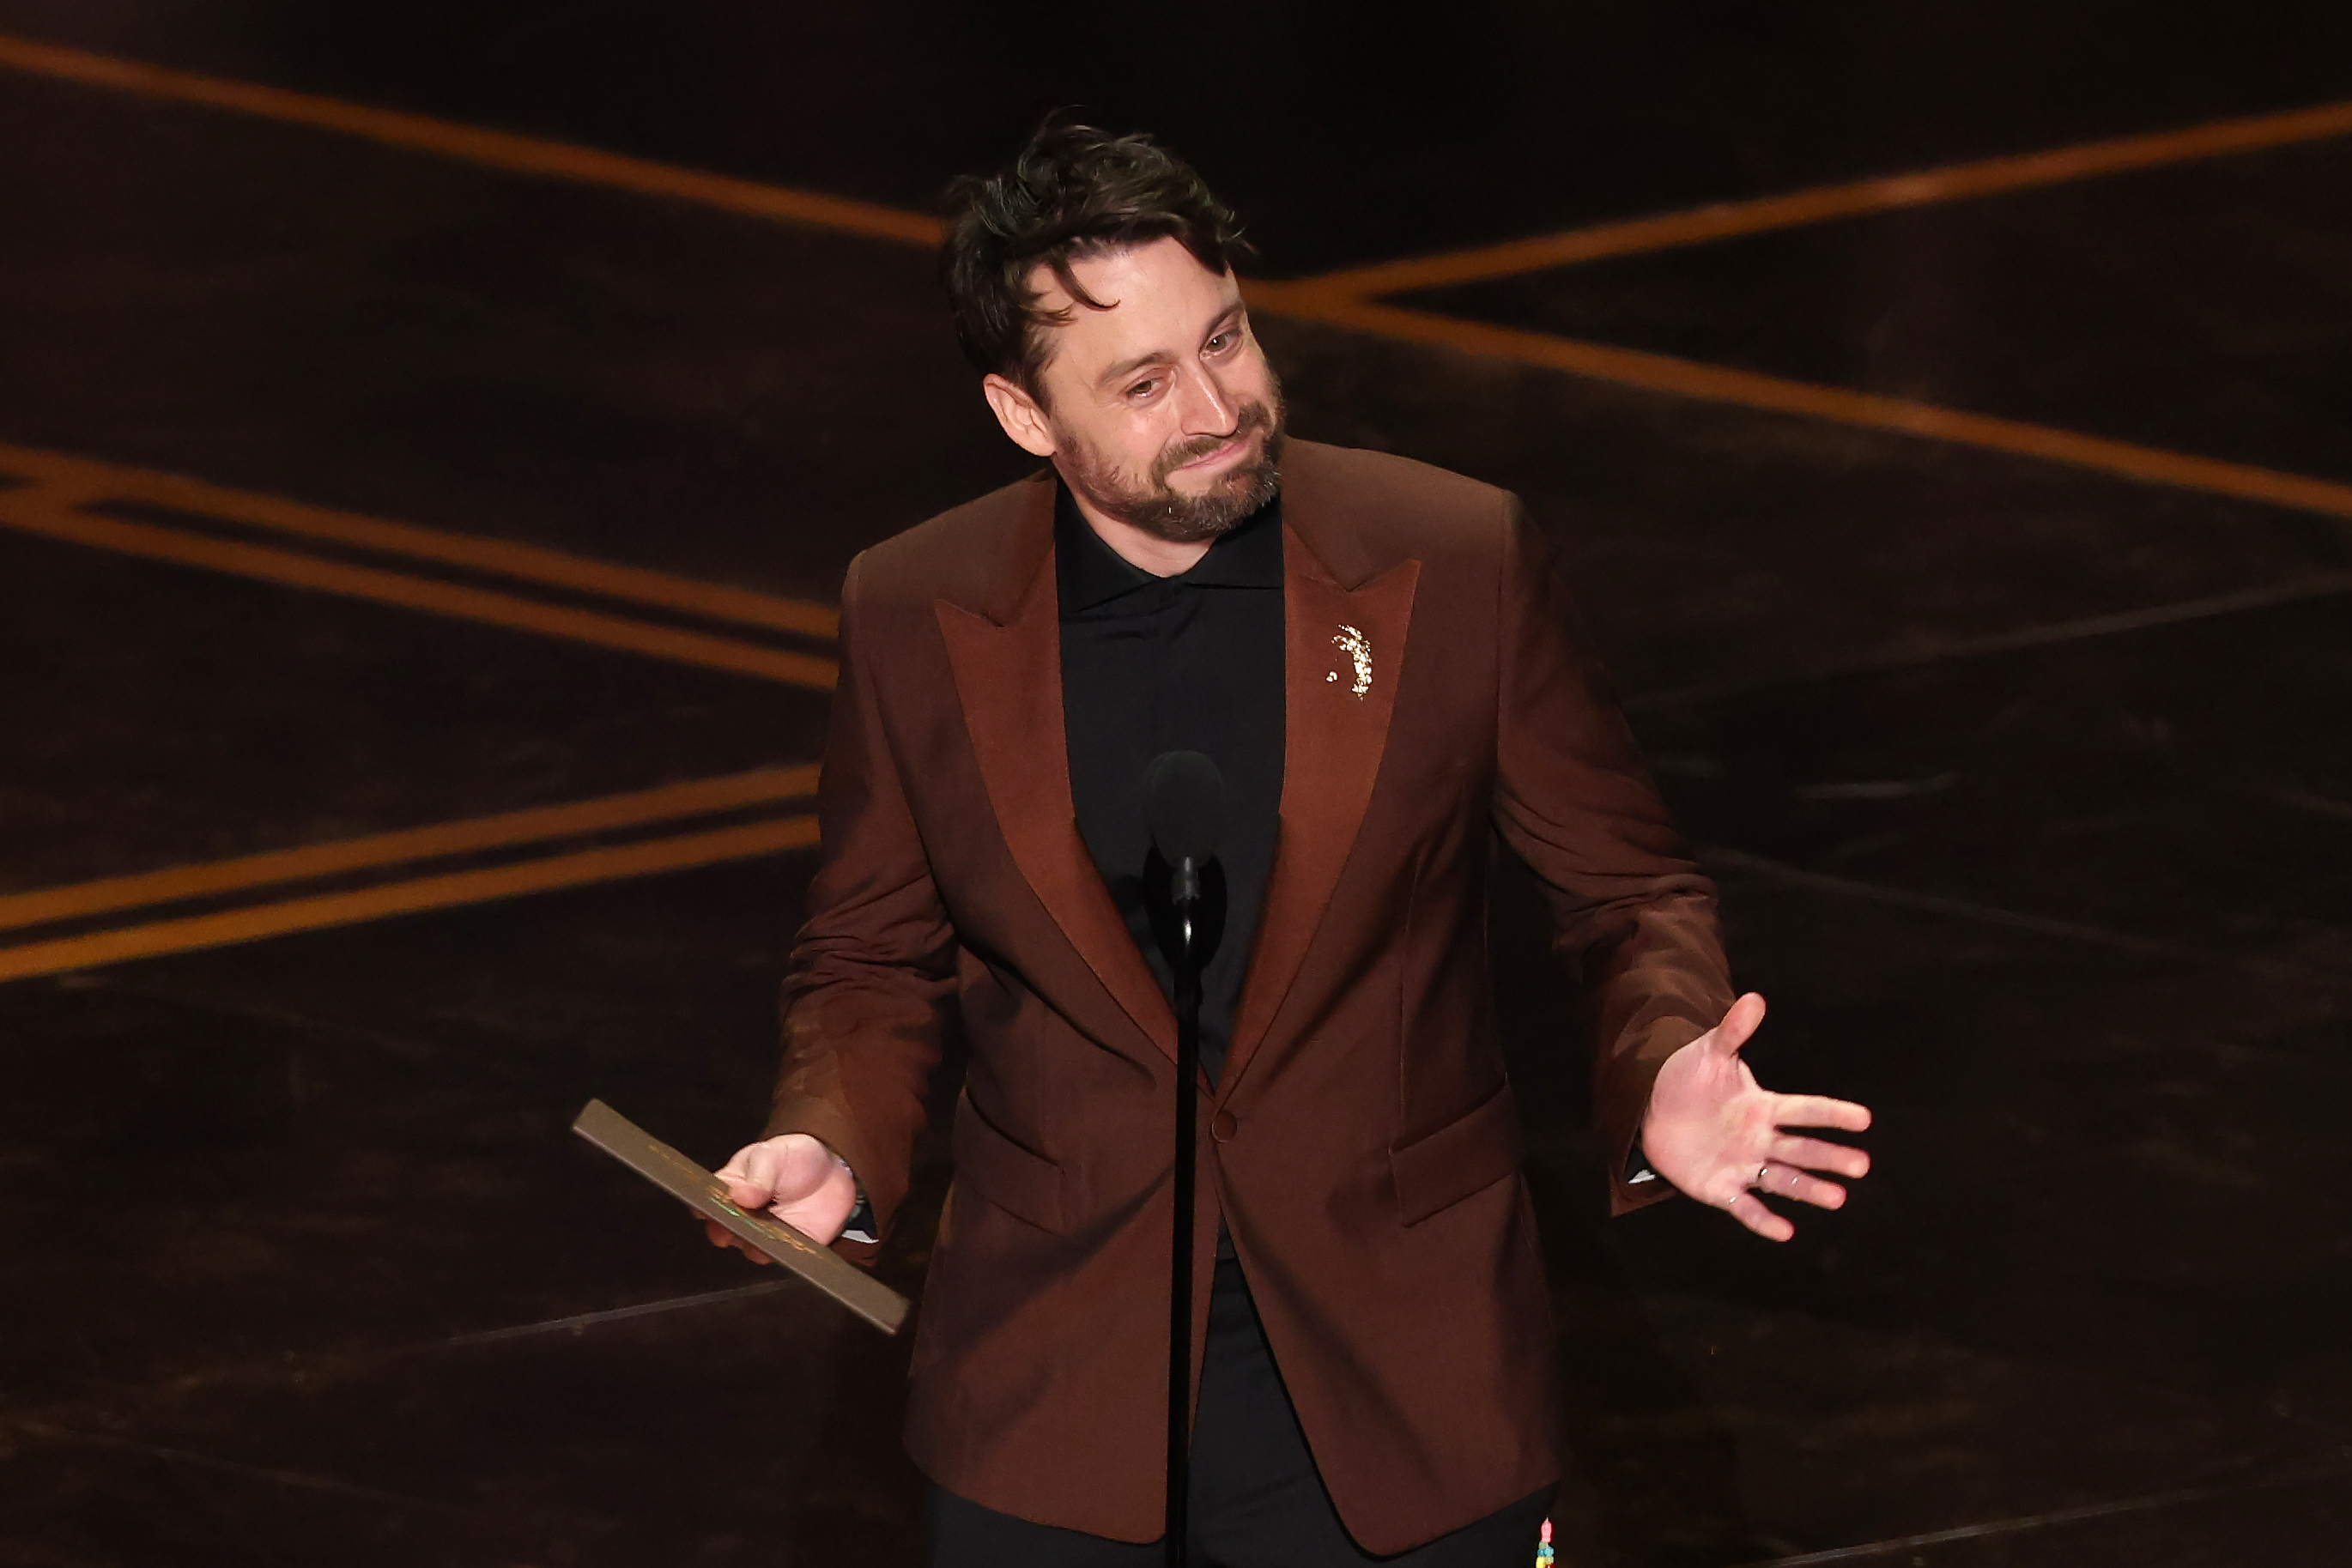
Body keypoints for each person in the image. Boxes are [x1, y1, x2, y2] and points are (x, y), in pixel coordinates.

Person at [705, 121, 1872, 1566]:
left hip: (1403, 1375)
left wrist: (1662, 1058)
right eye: (1142, 383)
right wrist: (834, 1136)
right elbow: (872, 953)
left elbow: (1629, 889)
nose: (1217, 404)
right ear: (1023, 414)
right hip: (1056, 1390)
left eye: (1228, 340)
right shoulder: (911, 606)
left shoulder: (1452, 556)